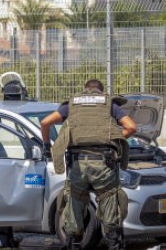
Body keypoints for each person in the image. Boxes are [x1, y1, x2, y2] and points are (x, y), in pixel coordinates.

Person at [40, 79, 137, 250]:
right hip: (104, 165)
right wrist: (112, 138)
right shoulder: (110, 104)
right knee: (109, 202)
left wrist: (47, 146)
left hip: (77, 165)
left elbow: (45, 123)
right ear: (101, 91)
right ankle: (114, 242)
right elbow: (131, 127)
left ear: (85, 91)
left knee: (74, 202)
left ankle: (73, 243)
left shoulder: (71, 105)